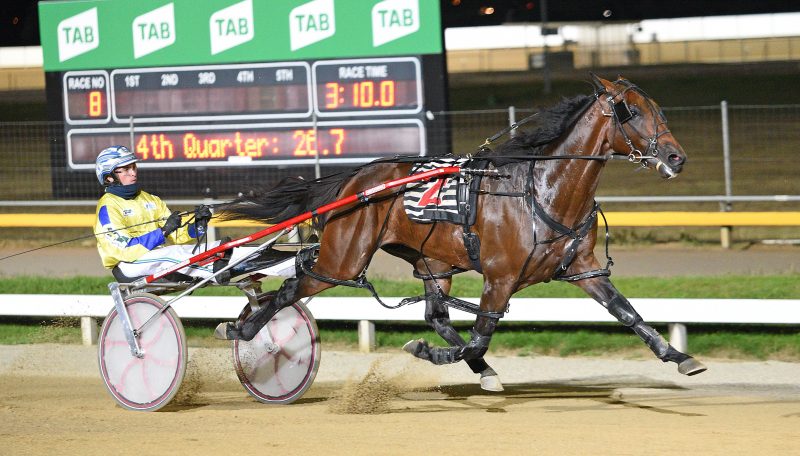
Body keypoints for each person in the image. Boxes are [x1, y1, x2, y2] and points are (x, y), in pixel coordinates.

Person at [93, 145, 295, 283]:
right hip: (129, 266)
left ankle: (290, 263)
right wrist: (162, 233)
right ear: (109, 177)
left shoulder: (150, 199)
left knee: (219, 247)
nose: (133, 172)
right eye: (125, 169)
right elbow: (122, 249)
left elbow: (177, 236)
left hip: (158, 258)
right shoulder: (107, 208)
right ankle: (213, 271)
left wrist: (196, 226)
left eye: (134, 166)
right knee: (174, 254)